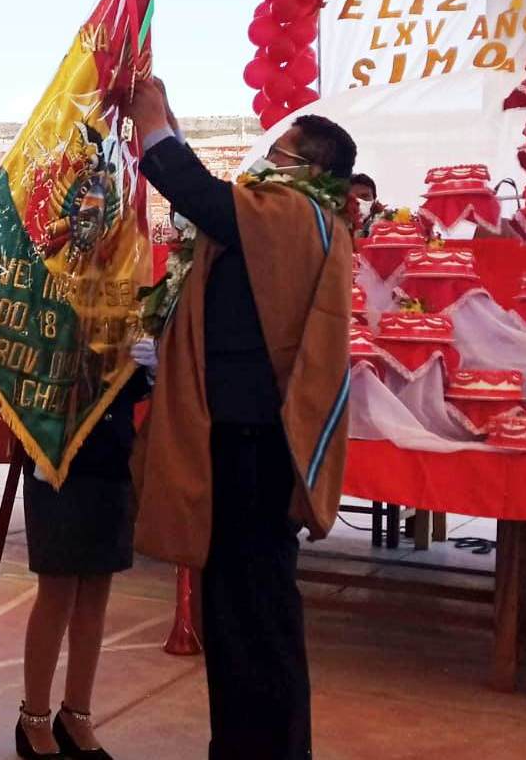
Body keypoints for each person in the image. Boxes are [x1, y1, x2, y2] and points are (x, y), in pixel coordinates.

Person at [128, 79, 354, 760]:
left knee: (255, 619)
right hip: (245, 440)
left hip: (254, 447)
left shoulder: (298, 217)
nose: (264, 159)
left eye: (278, 149)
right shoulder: (290, 219)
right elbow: (227, 217)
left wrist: (152, 130)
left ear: (309, 168)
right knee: (236, 617)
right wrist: (168, 122)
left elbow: (207, 202)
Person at [17, 363, 152, 760]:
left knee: (96, 591)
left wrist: (148, 366)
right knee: (57, 591)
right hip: (56, 451)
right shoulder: (50, 302)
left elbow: (137, 384)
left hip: (111, 456)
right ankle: (34, 718)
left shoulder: (132, 306)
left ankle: (76, 712)